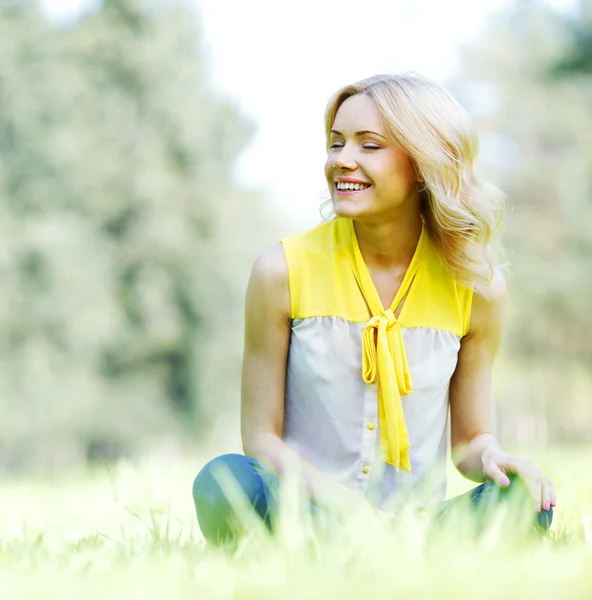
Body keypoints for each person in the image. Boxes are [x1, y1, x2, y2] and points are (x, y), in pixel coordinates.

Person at [192, 73, 556, 546]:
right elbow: (261, 439)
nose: (342, 161)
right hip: (307, 516)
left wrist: (492, 457)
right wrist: (349, 510)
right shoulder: (280, 271)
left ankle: (412, 556)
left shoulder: (478, 289)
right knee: (224, 481)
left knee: (526, 500)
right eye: (336, 143)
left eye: (369, 146)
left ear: (423, 163)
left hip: (418, 530)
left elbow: (469, 439)